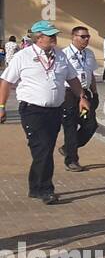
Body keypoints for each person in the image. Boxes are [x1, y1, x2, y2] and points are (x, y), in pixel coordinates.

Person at [0, 21, 91, 204]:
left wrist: (81, 97)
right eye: (51, 36)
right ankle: (45, 189)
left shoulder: (61, 56)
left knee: (46, 148)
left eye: (55, 35)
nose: (55, 39)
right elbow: (6, 82)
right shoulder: (23, 56)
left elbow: (72, 78)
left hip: (55, 110)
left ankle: (35, 187)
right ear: (39, 38)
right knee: (42, 148)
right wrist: (1, 107)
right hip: (32, 111)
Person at [60, 26, 99, 172]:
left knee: (90, 124)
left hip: (85, 93)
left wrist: (94, 93)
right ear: (73, 37)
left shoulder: (89, 54)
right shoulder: (64, 54)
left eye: (88, 36)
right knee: (70, 126)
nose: (86, 39)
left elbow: (91, 75)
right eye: (83, 37)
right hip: (69, 95)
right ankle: (72, 160)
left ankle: (68, 148)